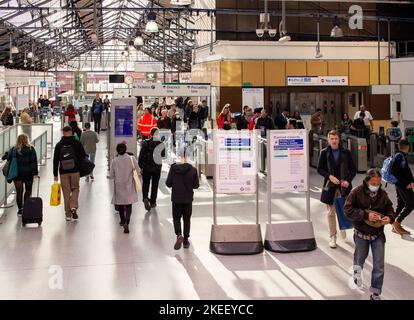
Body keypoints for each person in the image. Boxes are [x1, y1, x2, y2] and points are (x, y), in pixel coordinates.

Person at [344, 168, 396, 300]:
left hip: (378, 235)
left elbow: (390, 209)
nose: (376, 186)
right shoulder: (356, 192)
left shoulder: (382, 194)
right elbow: (348, 210)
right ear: (367, 181)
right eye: (373, 183)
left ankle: (375, 292)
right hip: (361, 234)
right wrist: (366, 215)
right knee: (359, 260)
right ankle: (356, 278)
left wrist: (389, 218)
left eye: (378, 183)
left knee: (379, 265)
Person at [317, 130, 357, 248]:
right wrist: (329, 176)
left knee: (345, 210)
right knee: (331, 212)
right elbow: (320, 169)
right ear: (328, 140)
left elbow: (353, 169)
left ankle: (343, 226)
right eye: (332, 139)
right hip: (330, 186)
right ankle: (332, 236)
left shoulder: (346, 153)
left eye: (336, 139)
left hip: (344, 187)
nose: (334, 141)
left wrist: (347, 180)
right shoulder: (324, 153)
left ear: (339, 139)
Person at [166, 146, 200, 250]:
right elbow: (196, 186)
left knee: (176, 218)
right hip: (188, 198)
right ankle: (185, 241)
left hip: (176, 198)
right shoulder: (193, 170)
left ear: (179, 156)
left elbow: (168, 183)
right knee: (186, 219)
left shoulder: (173, 168)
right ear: (189, 156)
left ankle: (179, 234)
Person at [53, 126, 87, 221]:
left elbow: (55, 160)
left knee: (66, 192)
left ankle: (68, 215)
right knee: (75, 188)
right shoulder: (77, 143)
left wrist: (55, 174)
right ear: (71, 132)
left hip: (63, 172)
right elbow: (83, 156)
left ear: (63, 133)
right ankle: (73, 206)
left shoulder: (59, 145)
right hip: (75, 170)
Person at [2, 134, 38, 216]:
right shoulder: (31, 149)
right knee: (28, 190)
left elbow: (4, 158)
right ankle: (26, 207)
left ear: (17, 140)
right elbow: (34, 162)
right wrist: (35, 173)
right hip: (28, 173)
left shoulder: (14, 149)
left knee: (19, 192)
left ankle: (20, 210)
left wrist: (8, 153)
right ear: (27, 140)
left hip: (17, 174)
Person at [110, 143, 139, 234]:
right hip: (129, 184)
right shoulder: (132, 159)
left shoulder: (114, 160)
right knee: (128, 204)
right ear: (126, 149)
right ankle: (127, 221)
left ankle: (122, 221)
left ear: (117, 150)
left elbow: (111, 175)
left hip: (119, 185)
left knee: (121, 204)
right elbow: (138, 170)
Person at [390, 139, 414, 235]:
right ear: (408, 147)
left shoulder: (400, 155)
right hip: (403, 185)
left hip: (401, 185)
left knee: (401, 204)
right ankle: (397, 222)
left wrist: (411, 181)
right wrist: (406, 184)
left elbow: (404, 171)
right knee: (411, 203)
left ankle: (394, 224)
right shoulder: (399, 156)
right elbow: (394, 172)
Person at [138, 128, 165, 211]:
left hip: (146, 167)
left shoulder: (145, 143)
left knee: (145, 184)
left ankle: (145, 198)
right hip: (157, 168)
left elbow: (141, 156)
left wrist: (141, 166)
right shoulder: (161, 144)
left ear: (150, 134)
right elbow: (163, 155)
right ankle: (153, 202)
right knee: (155, 184)